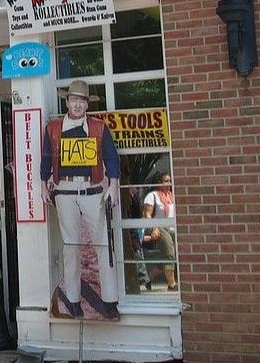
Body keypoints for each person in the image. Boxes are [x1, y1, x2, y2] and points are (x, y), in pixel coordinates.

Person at [40, 79, 121, 321]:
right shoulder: (53, 128)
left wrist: (113, 184)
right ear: (67, 102)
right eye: (74, 99)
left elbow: (111, 157)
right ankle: (73, 300)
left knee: (103, 245)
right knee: (71, 247)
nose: (77, 104)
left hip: (92, 190)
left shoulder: (98, 127)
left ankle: (109, 301)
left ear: (87, 104)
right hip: (64, 191)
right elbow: (46, 157)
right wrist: (44, 184)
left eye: (82, 100)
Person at [141, 173, 177, 291]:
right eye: (166, 181)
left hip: (172, 227)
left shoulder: (172, 196)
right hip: (158, 226)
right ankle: (172, 284)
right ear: (158, 182)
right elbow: (147, 214)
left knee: (169, 255)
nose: (169, 184)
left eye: (170, 181)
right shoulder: (152, 196)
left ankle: (148, 278)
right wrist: (154, 227)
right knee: (169, 251)